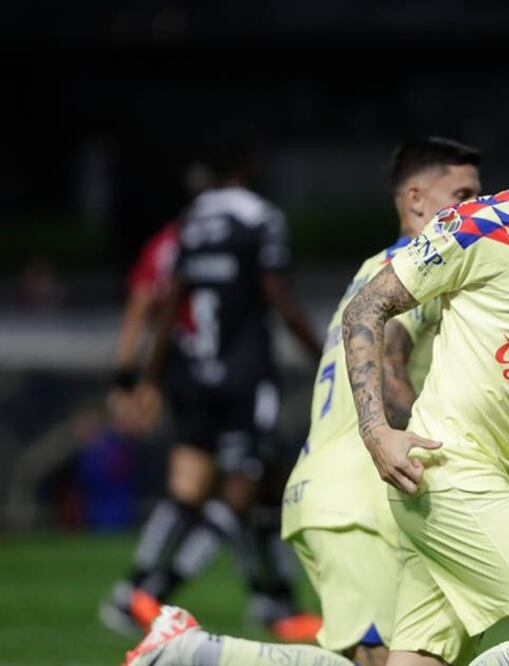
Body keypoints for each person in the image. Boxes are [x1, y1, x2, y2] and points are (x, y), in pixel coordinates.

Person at [124, 64, 509, 666]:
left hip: (506, 482)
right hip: (450, 471)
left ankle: (190, 653)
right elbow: (366, 308)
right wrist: (377, 432)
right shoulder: (484, 224)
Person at [122, 137, 482, 666]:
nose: (477, 210)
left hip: (336, 493)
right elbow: (389, 365)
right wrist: (448, 465)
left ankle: (197, 650)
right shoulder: (414, 272)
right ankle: (191, 649)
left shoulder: (374, 272)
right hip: (362, 499)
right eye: (464, 196)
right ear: (415, 201)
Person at [102, 133, 325, 642]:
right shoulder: (259, 216)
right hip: (244, 376)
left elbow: (166, 300)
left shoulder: (190, 221)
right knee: (241, 490)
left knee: (227, 487)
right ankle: (152, 591)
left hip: (191, 372)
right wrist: (324, 353)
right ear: (248, 165)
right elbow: (276, 292)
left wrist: (147, 378)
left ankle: (272, 601)